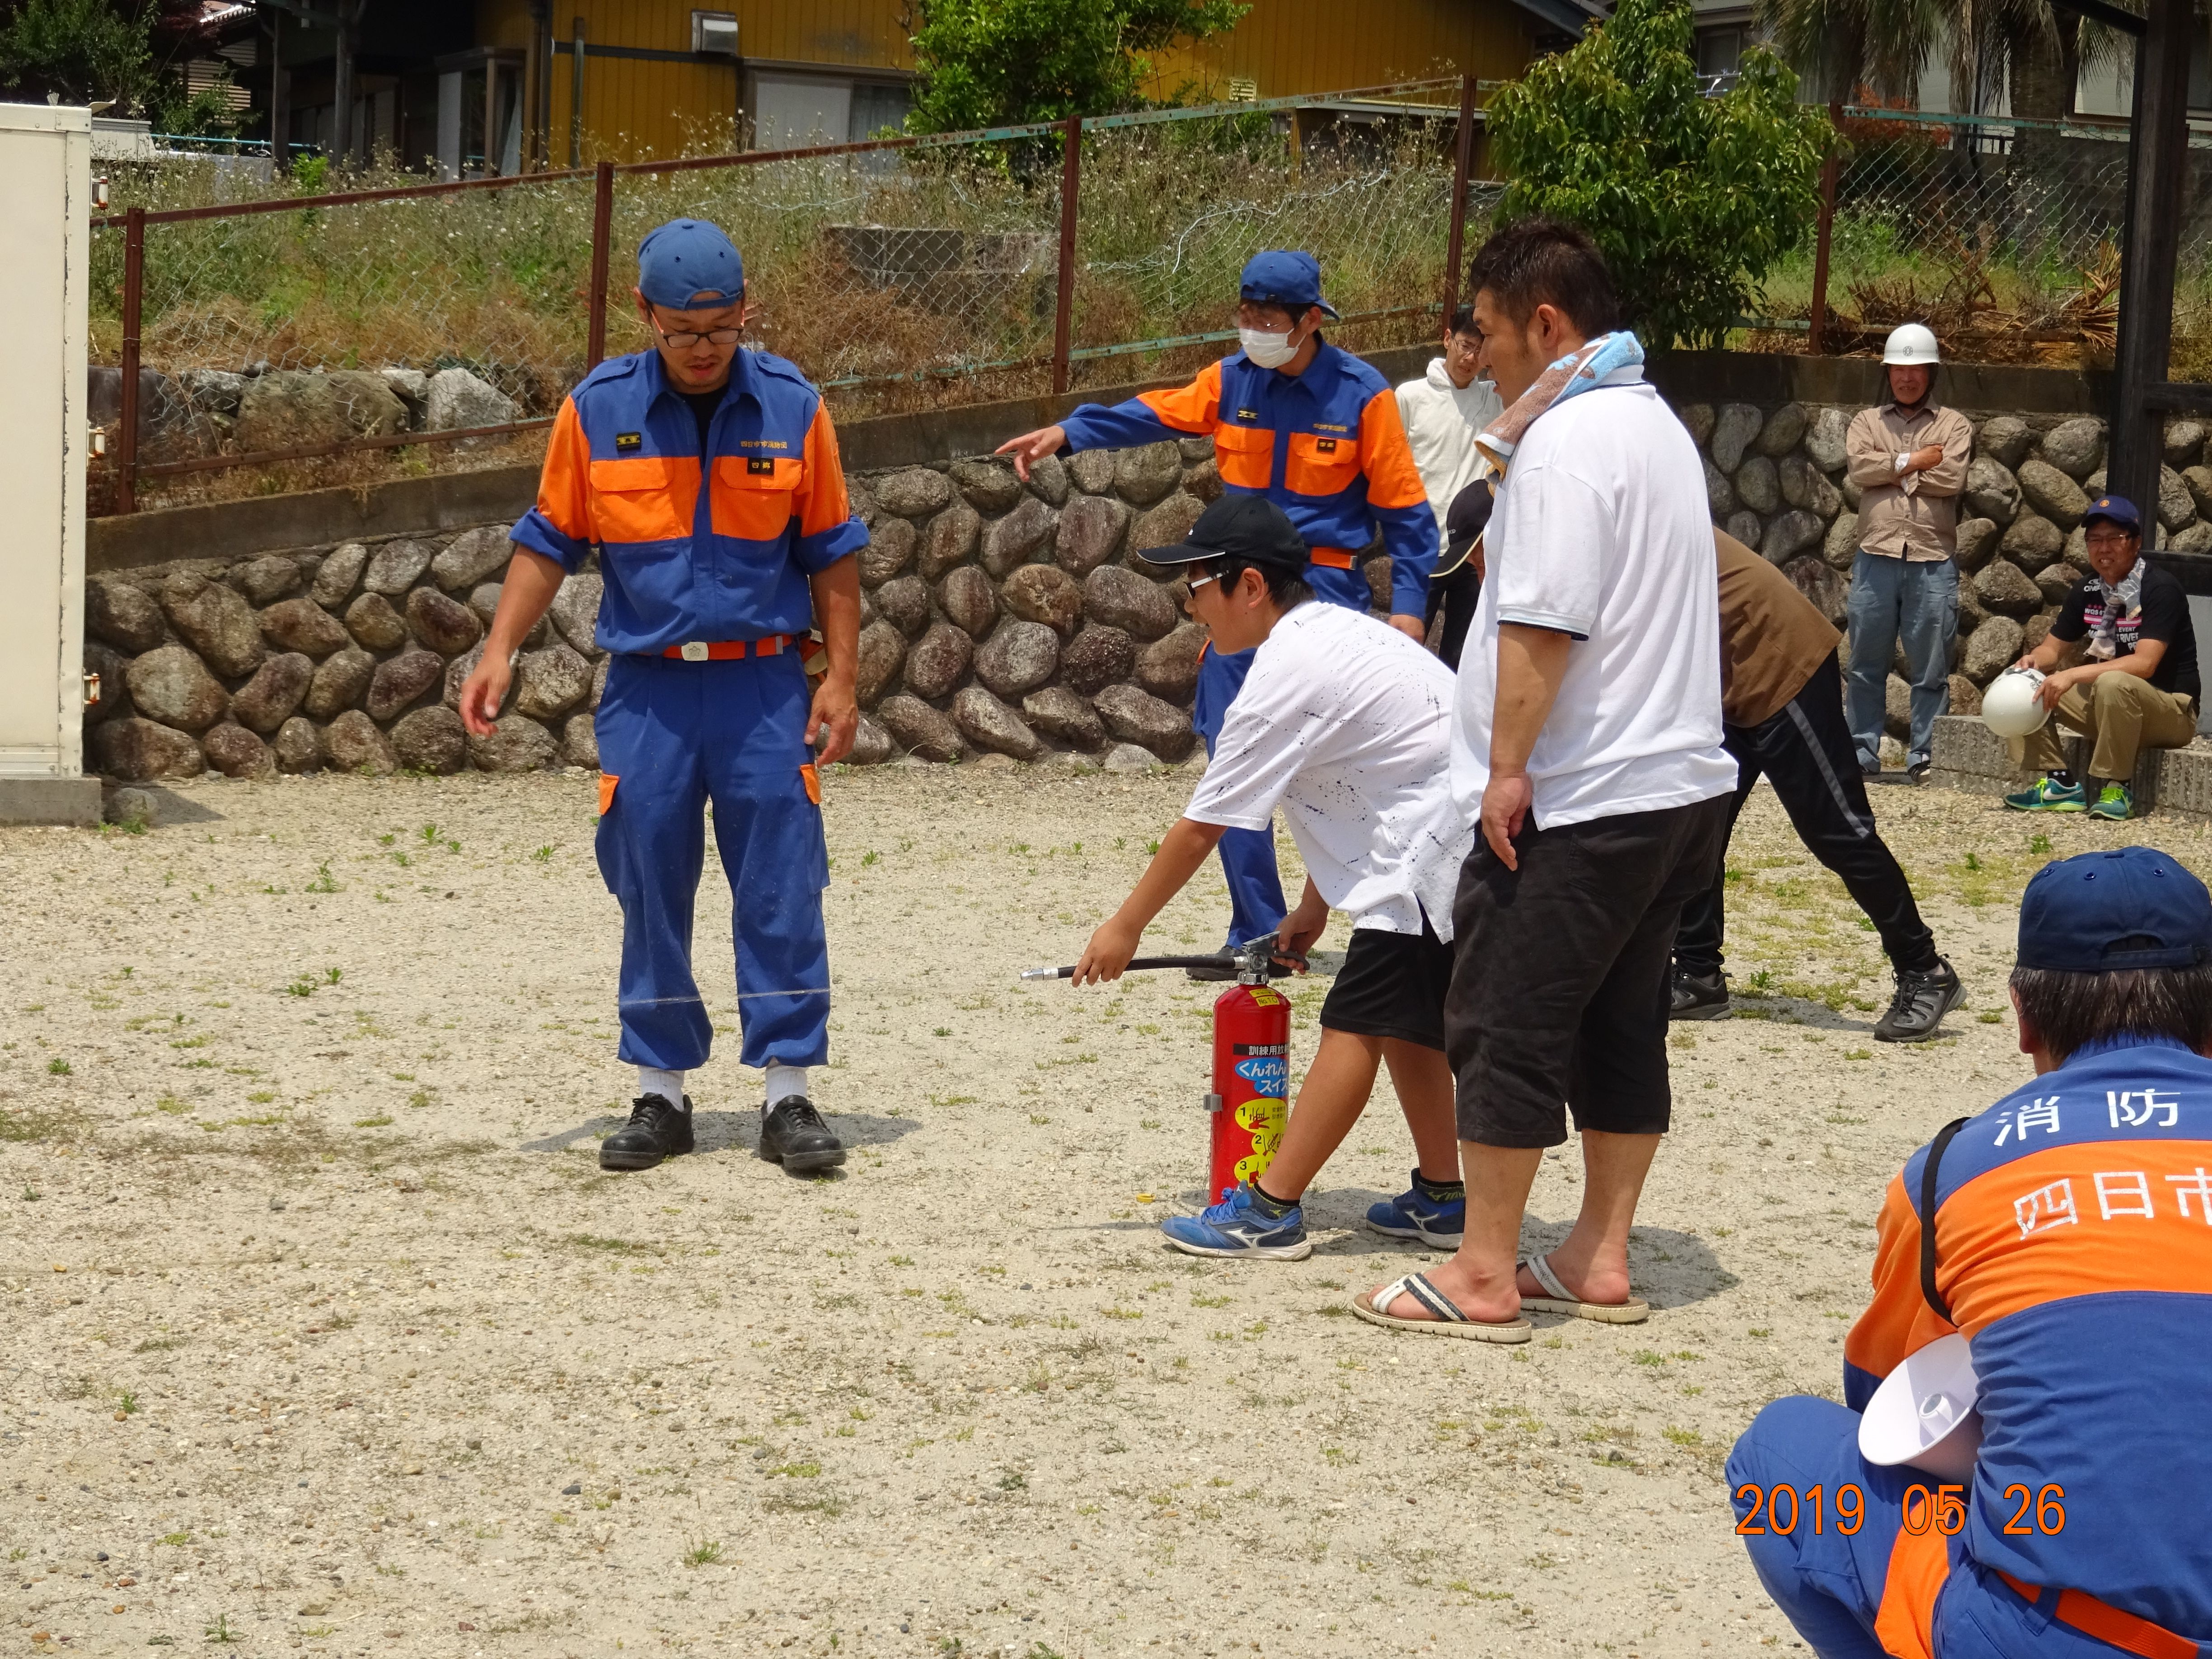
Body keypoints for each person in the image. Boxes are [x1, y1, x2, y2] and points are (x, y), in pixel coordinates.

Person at [1353, 216, 1734, 1342]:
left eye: (1488, 332)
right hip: (1676, 783)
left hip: (1584, 788)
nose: (1478, 356)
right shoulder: (1656, 424)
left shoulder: (1566, 441)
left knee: (1502, 1018)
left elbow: (1543, 622)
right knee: (1622, 1021)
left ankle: (1481, 1270)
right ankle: (1597, 1254)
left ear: (1547, 323)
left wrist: (1506, 769)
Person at [1727, 844, 2212, 1659]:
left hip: (2066, 1634)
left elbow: (1896, 1407)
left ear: (2023, 1017)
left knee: (1779, 1453)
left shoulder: (1954, 1172)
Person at [460, 218, 867, 1176]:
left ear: (746, 311)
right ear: (644, 313)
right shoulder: (596, 411)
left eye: (720, 329)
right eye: (683, 332)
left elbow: (833, 552)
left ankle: (789, 1093)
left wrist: (843, 680)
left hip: (763, 685)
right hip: (649, 692)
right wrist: (499, 648)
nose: (702, 349)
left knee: (782, 883)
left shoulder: (794, 407)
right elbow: (549, 540)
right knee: (647, 880)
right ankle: (661, 1094)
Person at [996, 250, 1438, 974]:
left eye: (1269, 317)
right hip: (1238, 593)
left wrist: (1410, 613)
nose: (1253, 327)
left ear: (1310, 321)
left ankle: (1368, 911)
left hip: (1323, 590)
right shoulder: (1229, 381)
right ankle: (1258, 932)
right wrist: (1069, 433)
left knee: (1342, 761)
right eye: (1246, 313)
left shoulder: (1363, 397)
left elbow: (1411, 520)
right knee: (1230, 748)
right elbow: (1153, 413)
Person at [1069, 495, 1472, 1260]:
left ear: (1249, 585)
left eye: (1196, 585)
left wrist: (1125, 927)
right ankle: (1443, 1196)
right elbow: (1371, 783)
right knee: (1401, 1023)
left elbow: (1204, 825)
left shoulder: (1289, 670)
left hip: (1432, 857)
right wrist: (1314, 906)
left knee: (1356, 1023)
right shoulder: (1339, 634)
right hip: (1436, 845)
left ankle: (1270, 1209)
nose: (1191, 607)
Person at [1671, 531, 1963, 1040]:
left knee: (1838, 831)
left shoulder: (1609, 513)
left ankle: (1925, 968)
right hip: (1718, 680)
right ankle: (1698, 973)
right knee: (1695, 826)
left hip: (1775, 657)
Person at [2004, 493, 2201, 823]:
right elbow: (2052, 650)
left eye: (2114, 538)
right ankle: (2059, 784)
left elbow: (2144, 664)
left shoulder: (2160, 588)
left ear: (2136, 543)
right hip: (2111, 706)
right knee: (2023, 685)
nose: (2103, 548)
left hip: (2171, 711)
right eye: (2095, 540)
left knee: (2113, 682)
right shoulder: (2088, 590)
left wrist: (2071, 675)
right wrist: (2032, 662)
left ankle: (2117, 788)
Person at [1843, 323, 1973, 783]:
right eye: (1899, 369)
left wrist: (1891, 470)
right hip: (1875, 556)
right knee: (1864, 664)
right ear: (1888, 373)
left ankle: (1925, 755)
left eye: (1916, 369)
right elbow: (1859, 469)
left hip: (1932, 558)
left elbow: (1951, 479)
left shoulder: (1954, 425)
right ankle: (1861, 752)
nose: (1907, 378)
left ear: (1931, 373)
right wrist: (1916, 462)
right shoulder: (1867, 422)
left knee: (1931, 667)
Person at [1395, 307, 1502, 666]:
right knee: (1405, 652)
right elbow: (1393, 468)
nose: (1470, 358)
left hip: (1472, 548)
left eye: (1479, 350)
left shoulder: (1494, 398)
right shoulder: (1410, 396)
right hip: (1423, 547)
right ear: (1447, 339)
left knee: (1461, 659)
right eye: (1465, 345)